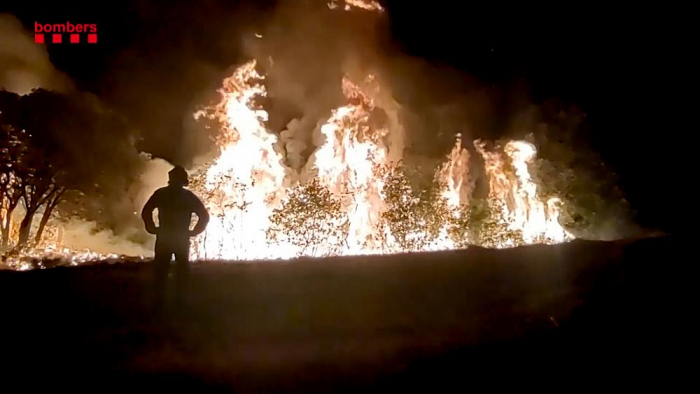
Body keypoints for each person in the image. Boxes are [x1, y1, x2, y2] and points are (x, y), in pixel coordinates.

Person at [141, 165, 209, 308]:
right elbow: (204, 216)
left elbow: (146, 211)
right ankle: (180, 302)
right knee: (181, 271)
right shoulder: (188, 197)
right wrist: (194, 231)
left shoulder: (161, 194)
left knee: (161, 271)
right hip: (180, 238)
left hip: (165, 237)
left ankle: (160, 303)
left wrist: (152, 227)